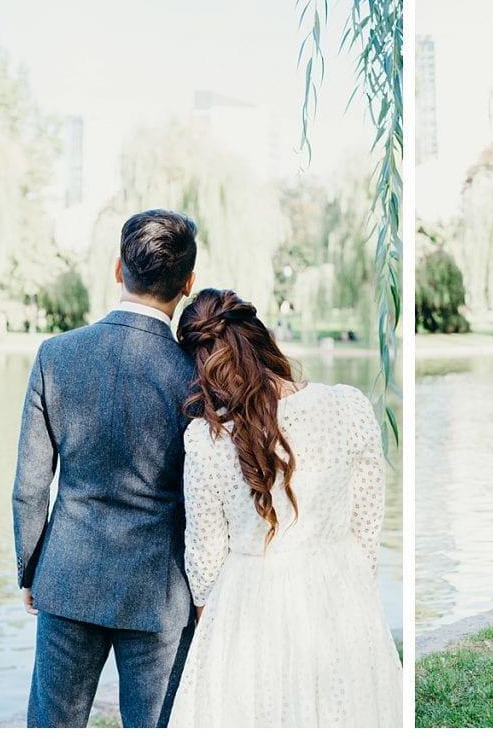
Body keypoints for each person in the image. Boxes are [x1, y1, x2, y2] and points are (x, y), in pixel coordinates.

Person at [167, 288, 402, 727]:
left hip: (249, 596)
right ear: (264, 339)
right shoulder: (348, 406)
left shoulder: (206, 440)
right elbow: (368, 522)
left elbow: (205, 555)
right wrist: (353, 584)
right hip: (339, 583)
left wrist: (211, 625)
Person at [12, 209, 198, 727]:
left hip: (68, 577)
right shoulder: (196, 374)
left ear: (119, 270)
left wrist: (30, 567)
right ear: (188, 283)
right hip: (161, 590)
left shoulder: (56, 355)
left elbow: (30, 488)